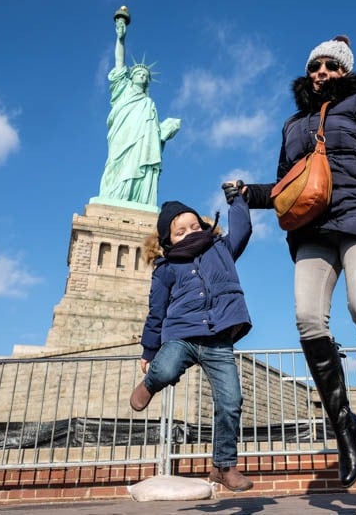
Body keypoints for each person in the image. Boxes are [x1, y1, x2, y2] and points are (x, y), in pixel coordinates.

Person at [223, 33, 356, 488]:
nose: (321, 72)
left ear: (344, 72)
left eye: (331, 66)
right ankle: (345, 426)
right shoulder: (291, 124)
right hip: (311, 231)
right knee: (307, 319)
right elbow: (286, 187)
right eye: (315, 66)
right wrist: (246, 191)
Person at [129, 195, 254, 492]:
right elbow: (156, 311)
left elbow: (243, 230)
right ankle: (149, 384)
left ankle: (224, 466)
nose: (190, 233)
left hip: (218, 339)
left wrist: (237, 200)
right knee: (166, 369)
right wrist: (148, 351)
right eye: (180, 231)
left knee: (231, 401)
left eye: (194, 226)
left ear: (205, 226)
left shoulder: (221, 249)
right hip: (182, 335)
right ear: (168, 241)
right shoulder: (166, 268)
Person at [98, 13, 180, 206]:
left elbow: (154, 135)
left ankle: (138, 199)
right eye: (138, 73)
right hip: (122, 135)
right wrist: (120, 38)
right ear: (131, 76)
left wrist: (165, 131)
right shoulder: (123, 89)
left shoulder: (149, 104)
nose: (142, 76)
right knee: (116, 164)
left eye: (145, 74)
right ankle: (113, 196)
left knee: (138, 163)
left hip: (141, 142)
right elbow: (119, 62)